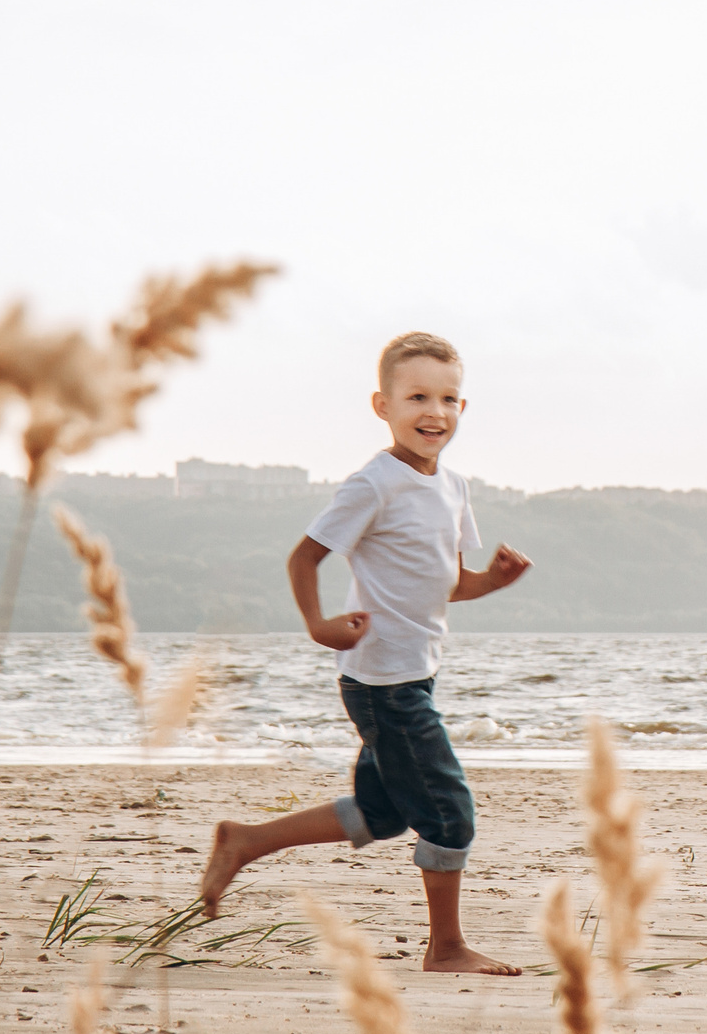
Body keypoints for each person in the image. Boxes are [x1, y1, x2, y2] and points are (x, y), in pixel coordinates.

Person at [197, 331, 532, 975]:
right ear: (382, 405)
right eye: (416, 397)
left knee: (380, 814)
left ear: (464, 408)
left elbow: (449, 582)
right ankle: (447, 948)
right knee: (448, 813)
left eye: (448, 398)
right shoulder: (373, 484)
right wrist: (318, 623)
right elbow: (305, 556)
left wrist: (494, 581)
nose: (433, 412)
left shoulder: (454, 488)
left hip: (416, 676)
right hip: (383, 682)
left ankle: (245, 841)